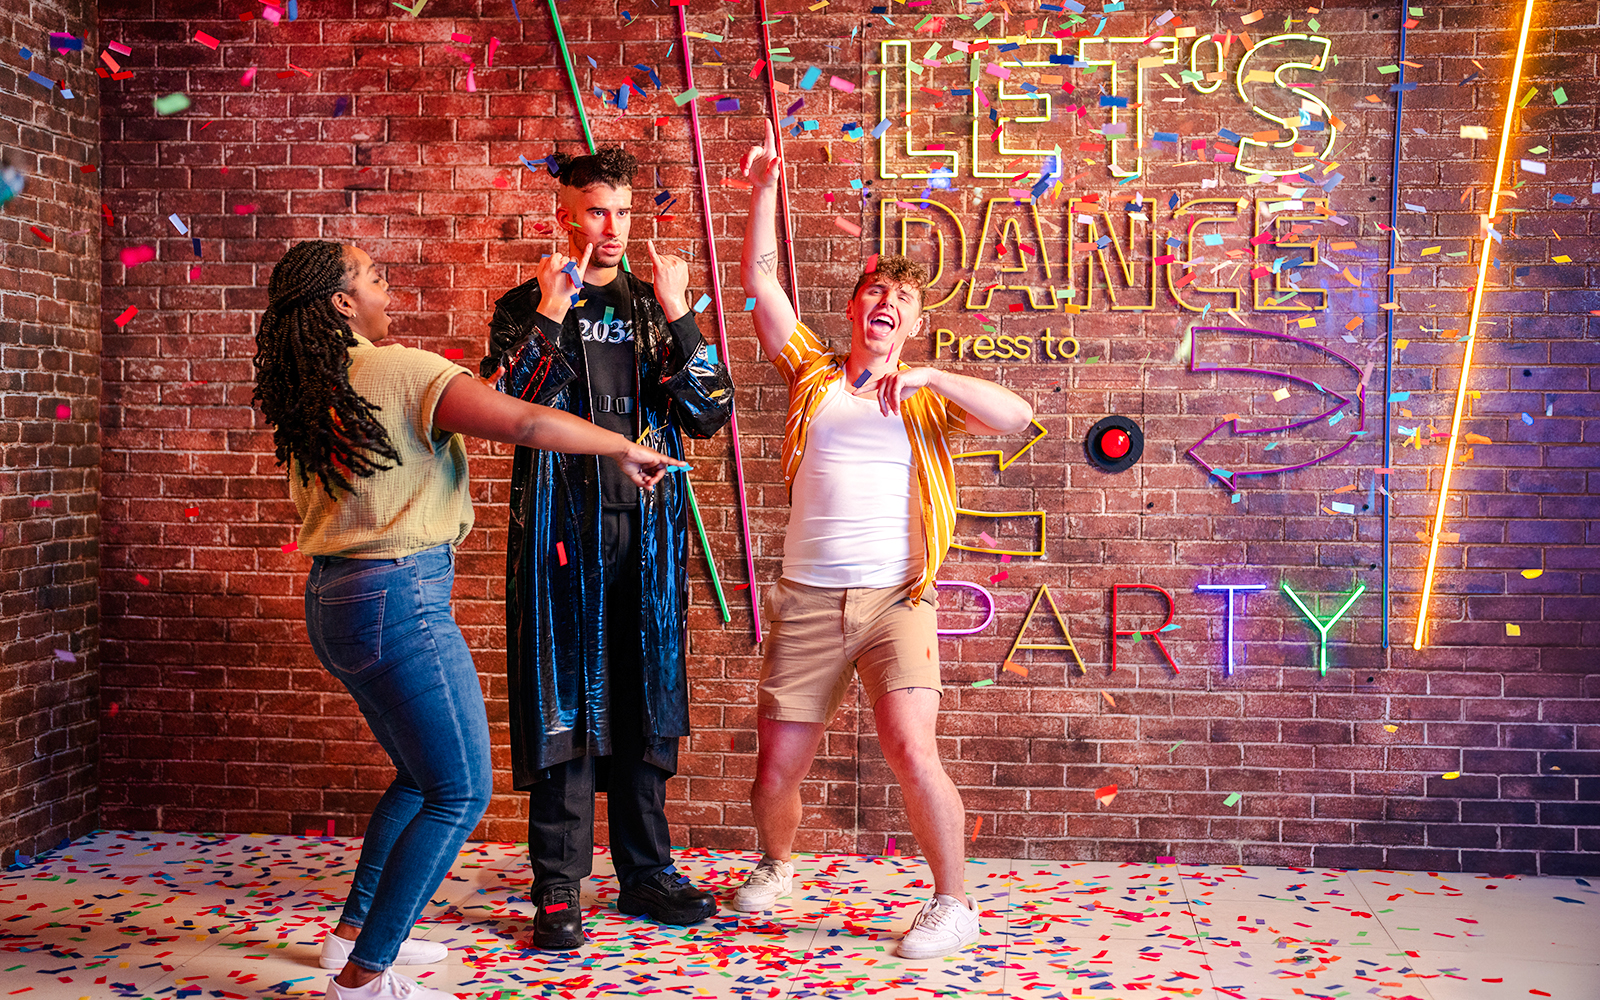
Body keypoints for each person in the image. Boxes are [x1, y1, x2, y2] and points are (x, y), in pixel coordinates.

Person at [253, 239, 682, 1000]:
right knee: (458, 792)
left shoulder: (317, 380)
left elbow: (499, 394)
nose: (388, 289)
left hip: (338, 599)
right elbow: (525, 421)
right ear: (343, 303)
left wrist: (548, 315)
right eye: (374, 278)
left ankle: (352, 934)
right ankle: (363, 977)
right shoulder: (397, 370)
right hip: (399, 600)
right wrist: (621, 445)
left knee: (420, 779)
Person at [731, 123, 1034, 959]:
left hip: (897, 600)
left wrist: (931, 374)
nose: (885, 303)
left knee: (911, 747)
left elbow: (1018, 417)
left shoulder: (928, 397)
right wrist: (766, 188)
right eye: (874, 292)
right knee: (774, 771)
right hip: (807, 598)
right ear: (855, 308)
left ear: (912, 321)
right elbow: (760, 283)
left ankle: (953, 903)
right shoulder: (812, 375)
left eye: (900, 298)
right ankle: (777, 864)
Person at [480, 147, 735, 951]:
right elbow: (509, 407)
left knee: (644, 705)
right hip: (561, 539)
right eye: (597, 211)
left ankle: (646, 872)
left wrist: (682, 312)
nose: (613, 227)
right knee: (565, 707)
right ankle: (558, 887)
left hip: (648, 539)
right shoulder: (524, 305)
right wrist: (551, 315)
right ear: (565, 216)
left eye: (623, 211)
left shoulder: (655, 308)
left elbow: (709, 412)